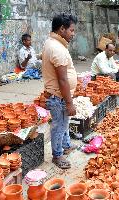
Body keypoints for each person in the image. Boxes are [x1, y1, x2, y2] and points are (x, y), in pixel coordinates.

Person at [41, 14, 78, 169]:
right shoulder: (56, 48)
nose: (73, 33)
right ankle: (57, 155)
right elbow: (62, 80)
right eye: (71, 30)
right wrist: (69, 103)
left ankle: (66, 145)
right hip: (58, 96)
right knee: (59, 125)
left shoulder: (54, 43)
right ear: (62, 29)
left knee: (63, 123)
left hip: (58, 95)